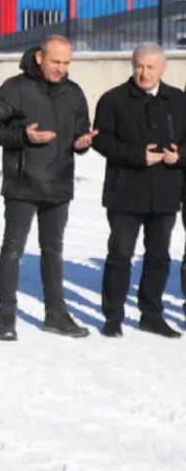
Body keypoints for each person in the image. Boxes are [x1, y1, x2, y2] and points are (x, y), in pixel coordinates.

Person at [0, 35, 94, 341]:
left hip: (58, 183)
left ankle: (55, 315)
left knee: (53, 250)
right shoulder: (15, 88)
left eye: (66, 63)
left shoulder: (74, 93)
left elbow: (80, 133)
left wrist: (82, 142)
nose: (61, 68)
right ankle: (6, 317)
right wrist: (23, 137)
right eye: (56, 62)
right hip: (23, 184)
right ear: (39, 58)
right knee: (12, 249)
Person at [91, 41, 186, 339]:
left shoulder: (179, 100)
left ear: (163, 68)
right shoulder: (113, 100)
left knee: (158, 256)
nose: (144, 73)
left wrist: (180, 156)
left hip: (166, 192)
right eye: (139, 66)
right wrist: (136, 155)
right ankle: (113, 316)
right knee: (120, 255)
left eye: (150, 67)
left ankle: (151, 315)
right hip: (125, 191)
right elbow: (101, 140)